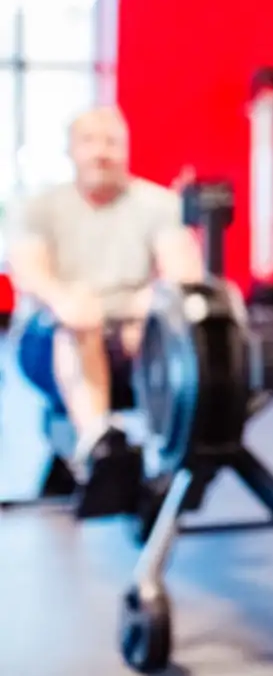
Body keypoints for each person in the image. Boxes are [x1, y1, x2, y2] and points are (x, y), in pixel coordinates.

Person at [6, 106, 204, 503]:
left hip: (129, 331)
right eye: (89, 142)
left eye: (111, 142)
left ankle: (154, 455)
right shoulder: (39, 207)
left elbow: (183, 277)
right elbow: (29, 272)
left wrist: (142, 310)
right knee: (78, 324)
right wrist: (67, 301)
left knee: (150, 326)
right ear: (71, 150)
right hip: (50, 336)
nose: (101, 152)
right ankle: (99, 445)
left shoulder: (158, 204)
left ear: (126, 150)